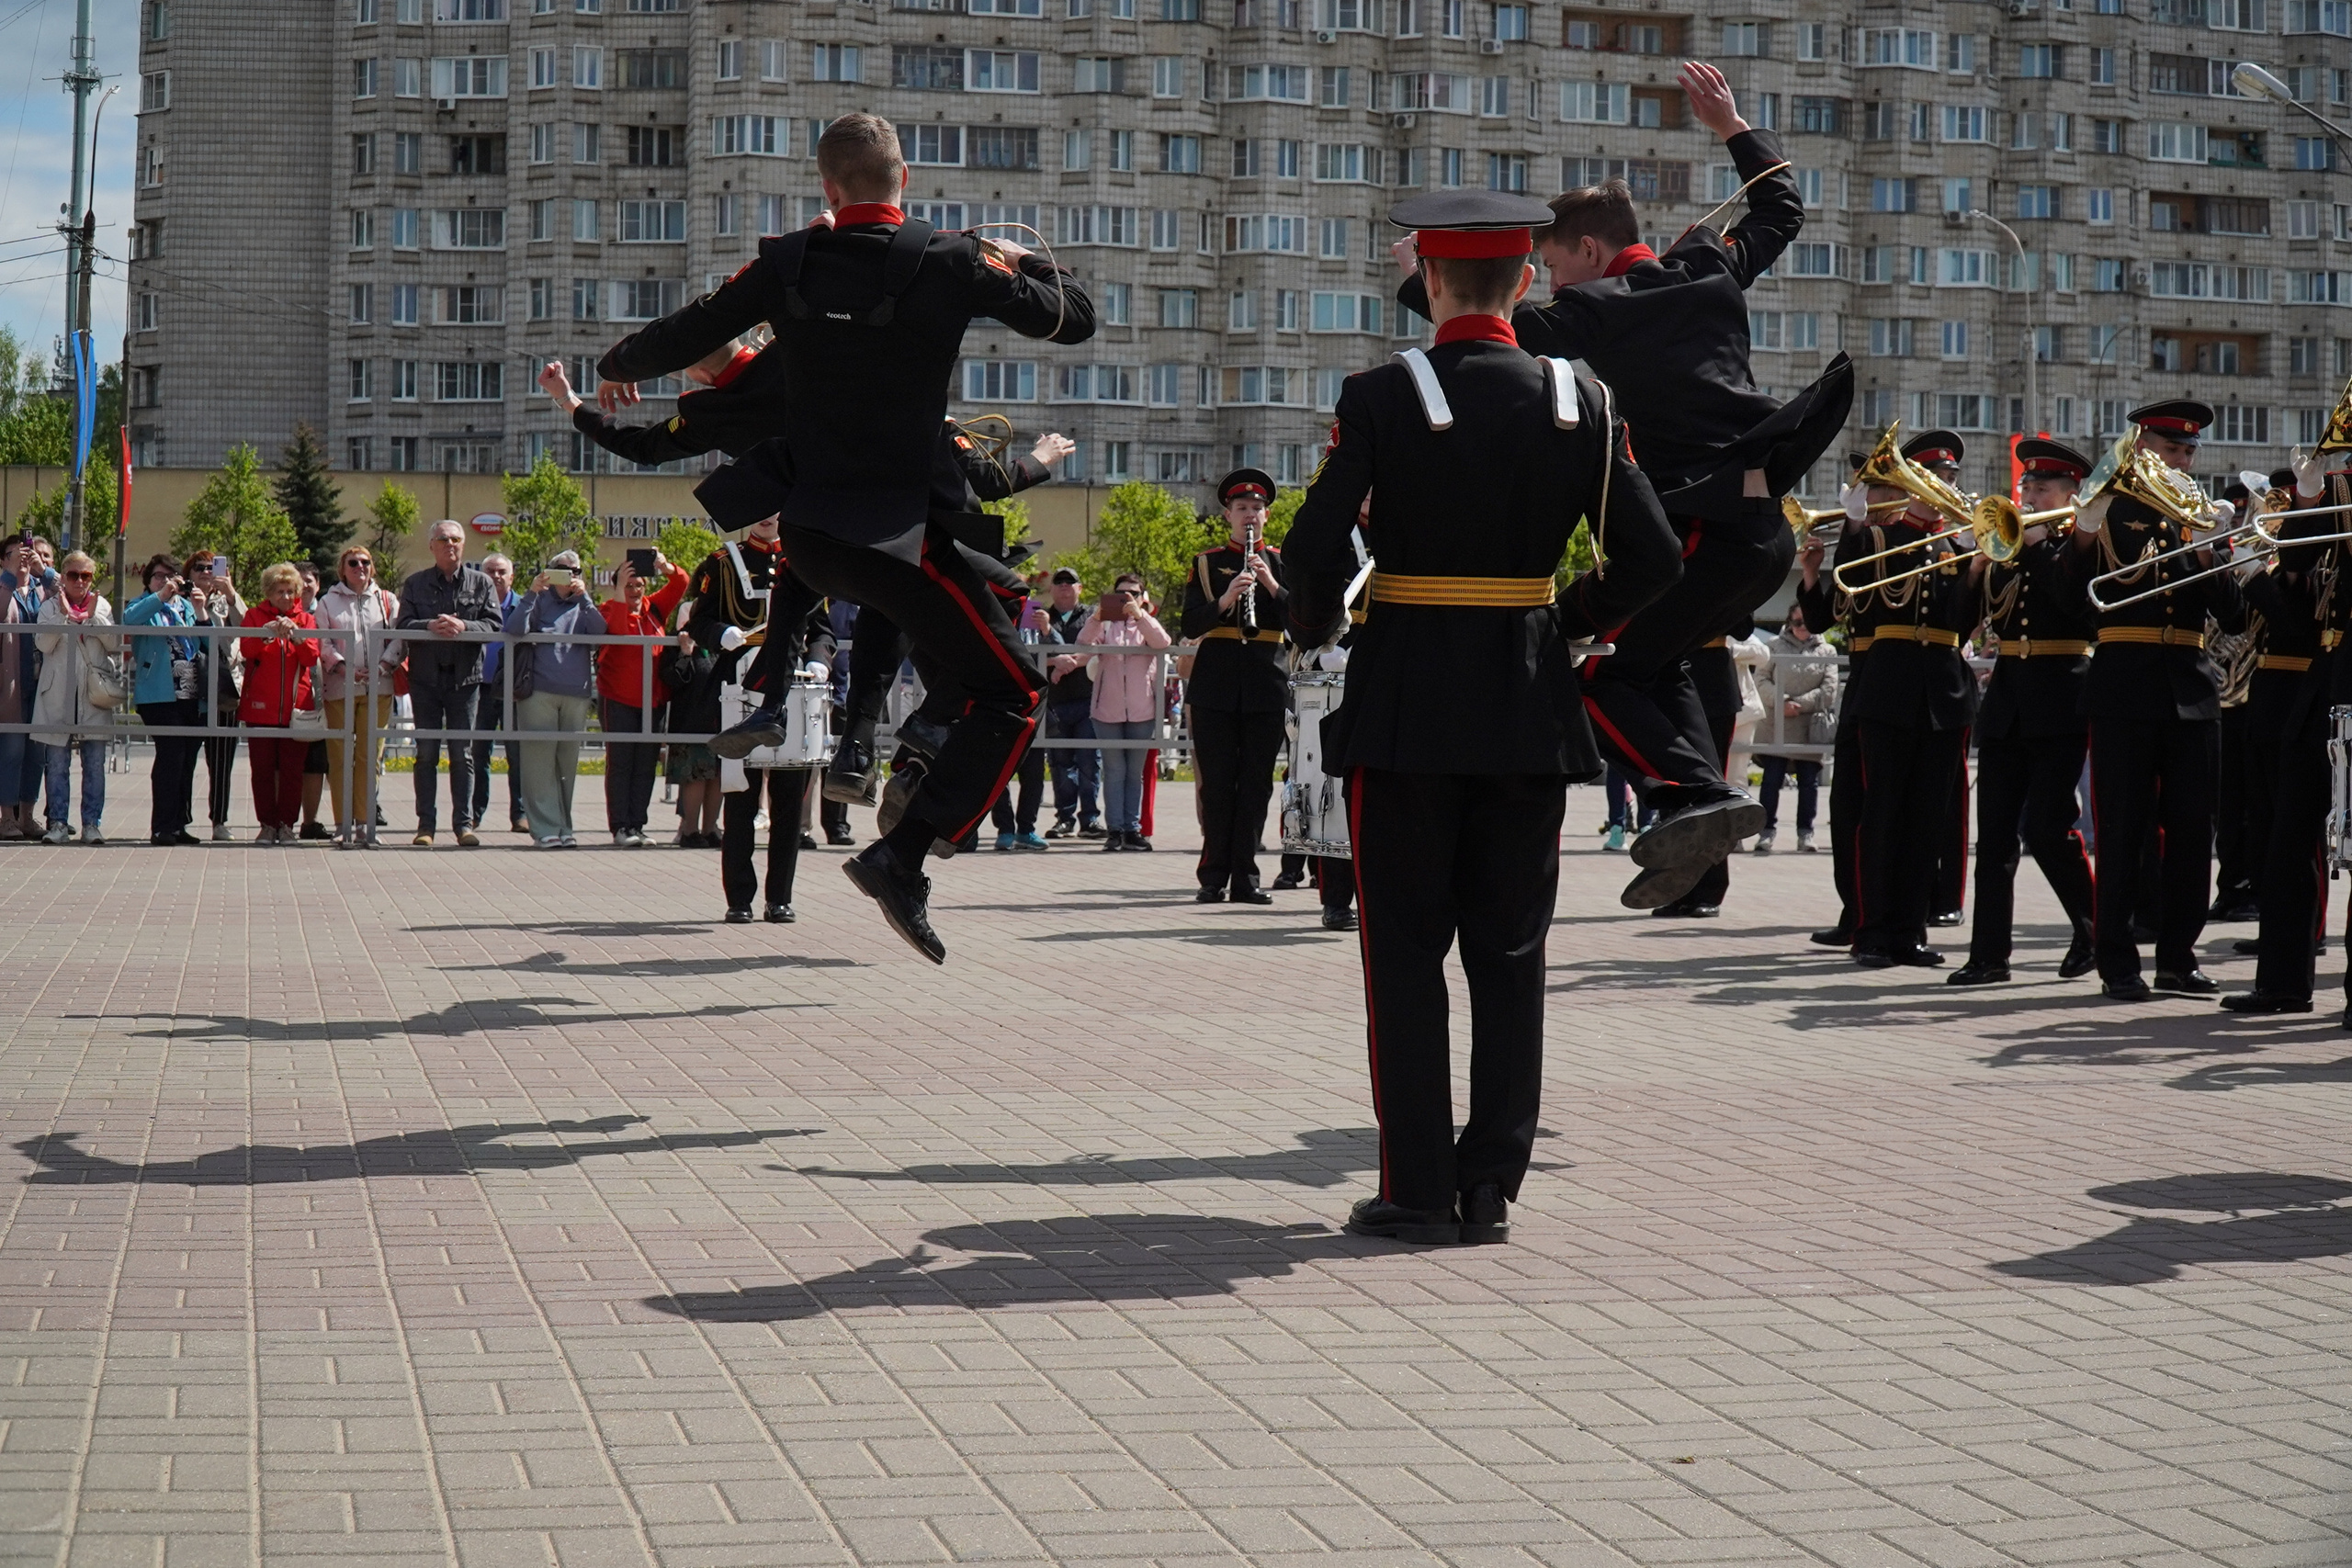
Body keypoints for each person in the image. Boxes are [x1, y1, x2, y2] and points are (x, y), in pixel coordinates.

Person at [594, 109, 1093, 962]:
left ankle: (891, 761)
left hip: (814, 539)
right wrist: (1023, 262)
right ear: (907, 181)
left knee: (977, 640)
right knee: (1015, 688)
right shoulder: (952, 258)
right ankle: (902, 852)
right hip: (901, 537)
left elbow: (671, 341)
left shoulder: (786, 263)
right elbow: (1074, 317)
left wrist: (609, 372)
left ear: (827, 189)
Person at [1283, 190, 1681, 1245]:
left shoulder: (1379, 395)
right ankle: (1491, 1184)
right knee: (1510, 956)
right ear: (1524, 282)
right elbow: (1654, 558)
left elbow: (1314, 549)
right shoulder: (1581, 397)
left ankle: (1415, 1188)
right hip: (1525, 703)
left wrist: (1314, 621)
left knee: (1403, 957)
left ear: (1430, 287)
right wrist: (1567, 618)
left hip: (1406, 705)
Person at [1396, 64, 1850, 911]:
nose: (1554, 283)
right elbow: (1782, 209)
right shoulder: (1710, 268)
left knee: (1595, 667)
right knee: (1650, 660)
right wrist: (1730, 124)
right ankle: (1690, 820)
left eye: (1557, 267)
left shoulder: (1595, 306)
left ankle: (1698, 797)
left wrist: (1418, 271)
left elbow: (1480, 321)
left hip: (1698, 530)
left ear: (1590, 253)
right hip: (1763, 532)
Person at [2066, 400, 2245, 1000]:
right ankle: (2117, 959)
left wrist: (2208, 552)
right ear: (2143, 446)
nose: (2183, 459)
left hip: (2191, 689)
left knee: (2194, 831)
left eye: (2189, 450)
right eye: (2172, 448)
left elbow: (2236, 618)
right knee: (2122, 831)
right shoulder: (2112, 507)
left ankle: (2178, 957)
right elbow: (2073, 595)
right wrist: (2086, 526)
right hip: (2124, 686)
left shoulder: (2194, 514)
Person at [1946, 438, 2099, 986]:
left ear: (2070, 492)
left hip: (2061, 698)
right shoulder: (2004, 551)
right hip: (2008, 703)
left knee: (2048, 828)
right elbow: (1959, 627)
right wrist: (1973, 566)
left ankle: (2094, 929)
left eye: (2042, 487)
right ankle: (1989, 956)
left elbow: (2077, 610)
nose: (2029, 494)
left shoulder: (2084, 544)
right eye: (2026, 486)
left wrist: (2035, 543)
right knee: (1994, 838)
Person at [1832, 431, 1982, 967]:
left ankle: (1911, 930)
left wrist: (1980, 564)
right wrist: (1855, 522)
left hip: (1943, 691)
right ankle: (1872, 931)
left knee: (1927, 819)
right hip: (1889, 688)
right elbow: (1849, 594)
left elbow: (1964, 626)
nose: (1944, 487)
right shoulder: (1879, 540)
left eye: (1950, 479)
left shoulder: (1959, 545)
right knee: (1882, 815)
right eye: (1933, 479)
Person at [2224, 453, 2346, 1015]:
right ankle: (2282, 983)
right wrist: (2309, 493)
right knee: (2289, 838)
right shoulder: (2338, 500)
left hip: (2337, 676)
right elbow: (2297, 557)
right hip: (2324, 686)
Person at [1182, 470, 1290, 903]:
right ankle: (1212, 876)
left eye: (1257, 509)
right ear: (1227, 514)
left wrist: (1269, 584)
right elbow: (1190, 623)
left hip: (1266, 682)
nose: (1250, 515)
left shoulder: (1283, 562)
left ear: (1266, 515)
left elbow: (1302, 621)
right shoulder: (1207, 563)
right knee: (1218, 783)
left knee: (1257, 783)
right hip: (1216, 685)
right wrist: (1226, 600)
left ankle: (1246, 876)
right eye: (1242, 509)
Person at [718, 600, 838, 921]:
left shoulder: (802, 569)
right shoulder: (725, 565)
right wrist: (720, 633)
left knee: (788, 806)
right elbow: (700, 620)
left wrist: (818, 659)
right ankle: (739, 898)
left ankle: (779, 898)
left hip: (791, 688)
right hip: (739, 690)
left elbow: (822, 633)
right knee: (739, 801)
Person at [395, 519, 503, 846]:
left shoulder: (481, 583)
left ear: (463, 545)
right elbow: (403, 625)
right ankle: (425, 827)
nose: (450, 544)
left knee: (463, 753)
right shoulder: (415, 584)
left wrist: (464, 626)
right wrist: (430, 625)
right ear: (432, 546)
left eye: (456, 539)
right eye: (443, 539)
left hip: (465, 681)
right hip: (425, 680)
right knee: (426, 752)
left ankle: (463, 826)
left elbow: (494, 627)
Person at [505, 552, 607, 848]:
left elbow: (600, 632)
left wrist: (585, 598)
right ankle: (544, 828)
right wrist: (532, 592)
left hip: (576, 693)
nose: (569, 575)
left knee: (567, 765)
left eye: (574, 570)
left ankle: (565, 827)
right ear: (550, 573)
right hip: (539, 691)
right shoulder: (539, 599)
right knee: (539, 764)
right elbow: (514, 628)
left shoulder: (582, 603)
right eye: (562, 570)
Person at [311, 547, 404, 846]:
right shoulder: (328, 601)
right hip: (340, 688)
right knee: (339, 759)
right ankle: (342, 825)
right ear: (343, 568)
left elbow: (399, 638)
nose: (360, 567)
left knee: (369, 758)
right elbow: (322, 641)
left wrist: (382, 666)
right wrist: (343, 667)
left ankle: (365, 824)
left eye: (365, 562)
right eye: (353, 562)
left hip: (380, 687)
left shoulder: (387, 600)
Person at [595, 552, 687, 847]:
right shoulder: (608, 609)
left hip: (653, 700)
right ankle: (620, 826)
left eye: (639, 586)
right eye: (629, 585)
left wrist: (663, 565)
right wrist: (619, 591)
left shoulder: (653, 609)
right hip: (619, 698)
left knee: (646, 765)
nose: (635, 592)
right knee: (621, 763)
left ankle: (637, 825)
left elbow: (681, 582)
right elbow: (620, 632)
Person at [1081, 571, 1170, 851]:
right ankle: (1115, 830)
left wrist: (1140, 616)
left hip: (1142, 710)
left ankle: (1132, 830)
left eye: (1133, 593)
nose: (1126, 599)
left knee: (1135, 772)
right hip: (1106, 710)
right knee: (1114, 770)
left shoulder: (1146, 622)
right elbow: (1083, 643)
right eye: (1121, 593)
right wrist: (1097, 617)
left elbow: (1162, 642)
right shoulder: (1105, 624)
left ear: (1143, 598)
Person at [122, 554, 205, 845]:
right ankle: (161, 826)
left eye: (171, 576)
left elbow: (207, 642)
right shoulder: (144, 604)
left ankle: (179, 824)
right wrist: (160, 595)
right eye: (159, 576)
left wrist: (201, 610)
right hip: (158, 694)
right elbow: (129, 621)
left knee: (186, 760)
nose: (167, 581)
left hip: (191, 694)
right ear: (149, 580)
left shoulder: (186, 606)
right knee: (171, 755)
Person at [237, 562, 322, 844]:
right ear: (269, 593)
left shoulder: (306, 619)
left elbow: (311, 657)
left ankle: (287, 824)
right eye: (279, 592)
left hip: (297, 708)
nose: (285, 598)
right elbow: (247, 650)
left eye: (290, 592)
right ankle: (266, 824)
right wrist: (267, 633)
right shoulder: (254, 615)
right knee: (261, 770)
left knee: (292, 772)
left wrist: (296, 634)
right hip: (260, 707)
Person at [32, 550, 113, 845]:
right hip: (57, 693)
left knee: (94, 762)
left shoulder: (101, 605)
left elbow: (114, 642)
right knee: (55, 763)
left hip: (92, 695)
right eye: (73, 575)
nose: (80, 581)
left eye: (86, 575)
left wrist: (93, 618)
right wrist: (63, 616)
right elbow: (42, 642)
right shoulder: (50, 606)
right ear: (63, 577)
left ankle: (91, 824)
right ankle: (57, 823)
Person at [1751, 606, 1835, 854]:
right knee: (1771, 781)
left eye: (1807, 620)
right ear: (1789, 621)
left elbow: (1829, 689)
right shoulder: (1773, 646)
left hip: (1809, 727)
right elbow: (1761, 680)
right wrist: (1783, 701)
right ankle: (1765, 833)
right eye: (1797, 620)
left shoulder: (1827, 649)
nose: (1802, 625)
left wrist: (1801, 704)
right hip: (1777, 725)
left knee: (1809, 783)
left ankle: (1805, 833)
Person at [179, 551, 245, 840]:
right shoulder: (180, 600)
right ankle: (179, 819)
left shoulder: (226, 600)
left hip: (224, 685)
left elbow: (247, 626)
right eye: (200, 568)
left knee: (221, 760)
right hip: (191, 686)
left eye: (212, 567)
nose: (207, 572)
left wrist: (231, 594)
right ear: (189, 572)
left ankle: (219, 821)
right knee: (184, 757)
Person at [1039, 567, 1102, 839]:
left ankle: (1090, 820)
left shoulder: (1093, 616)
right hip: (1054, 703)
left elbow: (1097, 649)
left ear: (1080, 588)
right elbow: (1028, 654)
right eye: (1059, 582)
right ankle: (1064, 818)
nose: (1064, 586)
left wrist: (1065, 665)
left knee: (1090, 762)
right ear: (1051, 589)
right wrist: (1054, 662)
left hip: (1088, 701)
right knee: (1059, 763)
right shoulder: (1039, 617)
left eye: (1070, 582)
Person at [988, 583, 1050, 852]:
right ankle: (1005, 829)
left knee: (1033, 773)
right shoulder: (991, 616)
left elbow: (1059, 651)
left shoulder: (1038, 621)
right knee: (999, 772)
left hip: (1034, 704)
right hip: (1001, 703)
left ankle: (1026, 830)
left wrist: (1048, 631)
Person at [471, 553, 526, 834]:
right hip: (480, 685)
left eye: (502, 571)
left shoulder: (523, 606)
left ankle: (520, 814)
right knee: (479, 752)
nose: (496, 576)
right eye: (490, 571)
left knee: (517, 753)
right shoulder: (474, 605)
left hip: (513, 689)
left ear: (511, 577)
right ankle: (475, 814)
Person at [658, 626, 725, 849]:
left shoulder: (722, 642)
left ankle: (710, 829)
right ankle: (689, 830)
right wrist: (685, 654)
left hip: (719, 723)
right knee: (696, 777)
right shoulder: (680, 642)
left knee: (718, 777)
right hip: (691, 722)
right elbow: (672, 678)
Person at [0, 533, 46, 839]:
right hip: (12, 684)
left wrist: (43, 569)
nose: (23, 558)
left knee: (36, 753)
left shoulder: (41, 591)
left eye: (26, 553)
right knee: (12, 751)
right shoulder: (4, 588)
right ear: (3, 560)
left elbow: (66, 596)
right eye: (15, 553)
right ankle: (6, 817)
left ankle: (27, 816)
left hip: (41, 682)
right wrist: (10, 577)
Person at [289, 563, 332, 839]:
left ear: (317, 584)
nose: (305, 586)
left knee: (317, 760)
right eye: (299, 581)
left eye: (309, 581)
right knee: (288, 761)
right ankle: (283, 821)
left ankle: (310, 821)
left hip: (323, 694)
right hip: (289, 694)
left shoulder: (325, 612)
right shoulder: (282, 612)